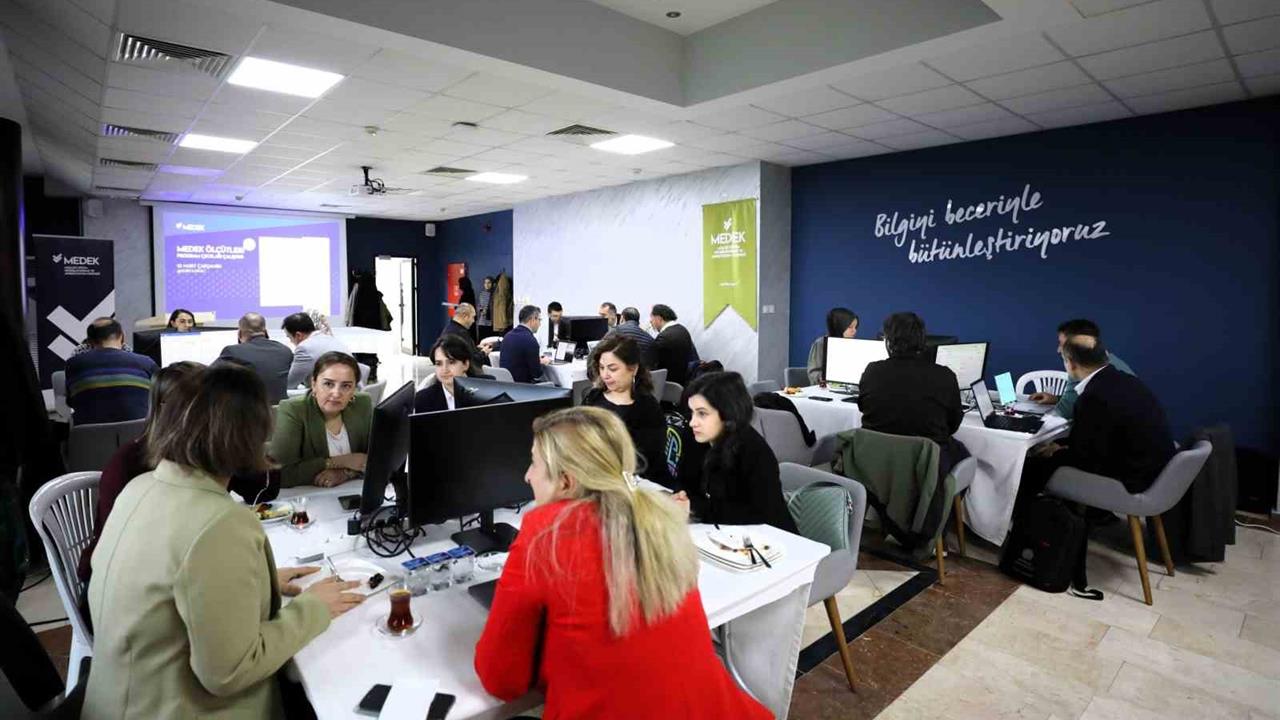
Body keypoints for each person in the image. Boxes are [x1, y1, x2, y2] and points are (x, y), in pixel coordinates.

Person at [84, 363, 365, 720]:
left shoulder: (140, 488)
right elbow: (230, 671)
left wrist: (259, 584)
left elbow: (177, 586)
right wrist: (314, 608)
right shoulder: (219, 523)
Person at [474, 407, 771, 720]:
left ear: (566, 482)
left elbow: (501, 679)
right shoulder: (658, 517)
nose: (527, 475)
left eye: (534, 463)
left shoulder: (545, 531)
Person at [1016, 334, 1173, 599]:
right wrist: (1061, 446)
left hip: (1130, 481)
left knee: (1031, 467)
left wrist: (1056, 450)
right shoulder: (1122, 380)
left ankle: (1022, 539)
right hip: (1157, 475)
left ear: (1071, 364)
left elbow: (1085, 457)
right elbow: (1099, 439)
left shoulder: (1094, 396)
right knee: (1047, 455)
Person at [77, 360, 205, 583]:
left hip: (174, 567)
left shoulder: (204, 451)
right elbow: (119, 546)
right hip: (120, 578)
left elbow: (259, 488)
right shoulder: (128, 463)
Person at [673, 371, 798, 533]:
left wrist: (696, 507)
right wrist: (681, 497)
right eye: (692, 412)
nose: (692, 422)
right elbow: (684, 482)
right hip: (714, 531)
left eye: (702, 414)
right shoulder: (694, 437)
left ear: (728, 414)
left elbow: (760, 516)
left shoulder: (754, 451)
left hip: (768, 539)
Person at [858, 312, 969, 481]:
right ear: (922, 340)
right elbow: (953, 424)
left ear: (888, 341)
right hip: (928, 468)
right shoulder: (945, 376)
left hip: (874, 462)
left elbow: (863, 407)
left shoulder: (872, 371)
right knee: (963, 455)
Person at [269, 352, 373, 488]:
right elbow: (280, 474)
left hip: (351, 491)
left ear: (354, 389)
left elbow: (377, 458)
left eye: (346, 386)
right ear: (314, 384)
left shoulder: (362, 404)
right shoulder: (294, 410)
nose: (336, 393)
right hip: (306, 495)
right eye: (328, 384)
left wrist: (346, 473)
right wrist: (339, 461)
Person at [583, 335, 672, 488]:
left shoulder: (647, 408)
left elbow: (647, 460)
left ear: (633, 369)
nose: (605, 375)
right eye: (602, 368)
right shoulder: (594, 396)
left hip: (632, 482)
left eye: (612, 369)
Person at [1029, 319, 1136, 419]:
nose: (1058, 350)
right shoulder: (1113, 364)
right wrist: (1057, 398)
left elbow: (1064, 412)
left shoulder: (1081, 368)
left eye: (1062, 344)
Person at [64, 317, 157, 424]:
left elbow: (71, 402)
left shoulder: (73, 365)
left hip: (89, 433)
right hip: (138, 432)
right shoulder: (146, 362)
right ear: (122, 336)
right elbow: (163, 397)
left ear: (89, 342)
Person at [218, 312, 293, 403]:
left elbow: (208, 377)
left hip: (250, 410)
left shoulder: (232, 352)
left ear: (240, 333)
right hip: (279, 409)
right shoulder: (285, 350)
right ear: (266, 332)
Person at [415, 335, 492, 412]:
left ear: (465, 364)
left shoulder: (488, 388)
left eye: (451, 362)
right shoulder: (424, 399)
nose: (444, 369)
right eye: (439, 364)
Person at [282, 312, 352, 390]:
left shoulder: (304, 348)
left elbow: (290, 384)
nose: (291, 341)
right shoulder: (330, 338)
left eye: (289, 337)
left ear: (298, 335)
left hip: (334, 392)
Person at [650, 304, 700, 386]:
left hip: (668, 385)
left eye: (651, 318)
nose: (651, 322)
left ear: (659, 318)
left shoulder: (664, 337)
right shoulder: (682, 330)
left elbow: (653, 360)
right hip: (684, 382)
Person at [807, 307, 859, 385]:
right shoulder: (821, 343)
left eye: (855, 327)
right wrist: (827, 378)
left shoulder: (854, 345)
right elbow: (813, 373)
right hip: (825, 389)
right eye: (850, 327)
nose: (854, 331)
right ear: (839, 326)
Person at [500, 305, 551, 383]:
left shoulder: (507, 336)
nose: (540, 324)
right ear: (533, 319)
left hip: (507, 384)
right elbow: (537, 374)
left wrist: (536, 360)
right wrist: (542, 363)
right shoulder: (530, 340)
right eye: (539, 320)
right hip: (523, 386)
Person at [439, 302, 490, 367]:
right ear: (465, 316)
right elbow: (470, 361)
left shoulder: (450, 329)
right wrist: (483, 353)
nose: (473, 321)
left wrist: (476, 349)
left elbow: (464, 352)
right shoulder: (460, 334)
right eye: (472, 317)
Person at [476, 276, 495, 340]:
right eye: (485, 283)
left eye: (489, 283)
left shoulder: (495, 294)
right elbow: (479, 306)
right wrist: (482, 310)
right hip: (482, 321)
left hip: (492, 322)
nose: (487, 285)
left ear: (492, 284)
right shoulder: (482, 294)